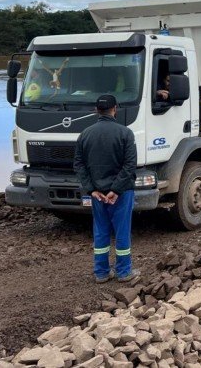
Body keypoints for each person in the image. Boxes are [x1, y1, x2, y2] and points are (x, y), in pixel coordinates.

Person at [73, 94, 140, 283]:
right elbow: (129, 165)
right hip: (121, 193)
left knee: (101, 231)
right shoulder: (125, 133)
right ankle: (124, 272)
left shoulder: (85, 134)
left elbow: (79, 165)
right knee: (122, 231)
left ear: (96, 110)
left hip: (97, 194)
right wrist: (116, 190)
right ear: (115, 109)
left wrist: (92, 189)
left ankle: (101, 272)